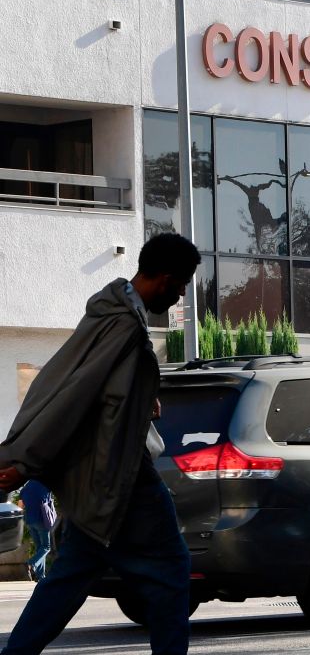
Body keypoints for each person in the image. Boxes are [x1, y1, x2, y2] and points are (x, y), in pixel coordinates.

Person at [0, 233, 201, 655]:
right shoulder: (124, 328)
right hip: (122, 473)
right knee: (171, 571)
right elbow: (71, 397)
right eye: (181, 283)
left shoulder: (111, 311)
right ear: (164, 278)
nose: (182, 292)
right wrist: (24, 461)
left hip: (102, 475)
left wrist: (143, 401)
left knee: (72, 575)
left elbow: (79, 389)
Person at [17, 480, 56, 582]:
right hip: (42, 520)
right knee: (46, 547)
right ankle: (31, 564)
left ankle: (40, 576)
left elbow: (20, 506)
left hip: (29, 521)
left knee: (39, 547)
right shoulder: (45, 485)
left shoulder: (25, 488)